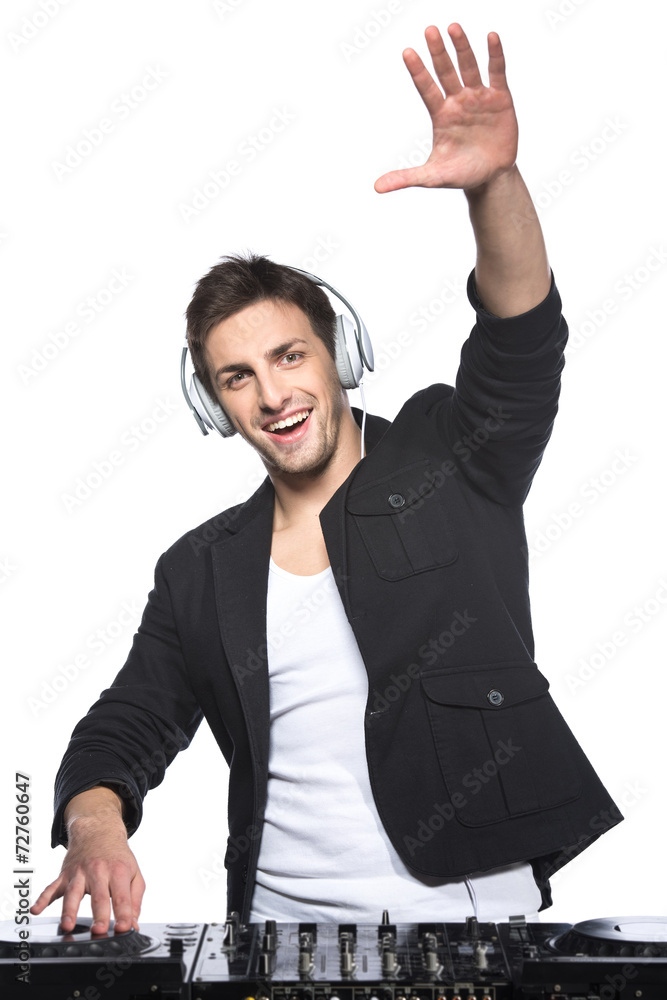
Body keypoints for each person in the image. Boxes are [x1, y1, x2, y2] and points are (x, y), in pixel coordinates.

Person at [31, 22, 620, 935]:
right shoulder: (199, 570)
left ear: (337, 355)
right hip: (270, 939)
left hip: (464, 928)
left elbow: (520, 339)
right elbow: (126, 723)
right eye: (237, 378)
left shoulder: (449, 458)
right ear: (215, 404)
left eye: (288, 356)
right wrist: (94, 825)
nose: (272, 395)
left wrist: (493, 184)